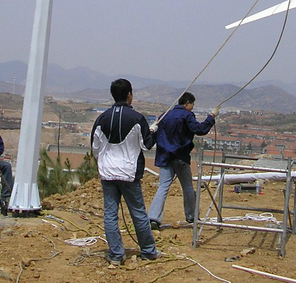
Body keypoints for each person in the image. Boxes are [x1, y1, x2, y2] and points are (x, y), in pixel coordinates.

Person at [91, 78, 160, 265]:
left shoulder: (101, 118)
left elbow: (95, 149)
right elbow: (146, 146)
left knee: (110, 213)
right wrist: (153, 132)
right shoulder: (137, 118)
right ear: (130, 95)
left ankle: (115, 254)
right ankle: (148, 250)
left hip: (107, 173)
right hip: (129, 173)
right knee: (138, 212)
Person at [147, 92, 218, 230]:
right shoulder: (187, 115)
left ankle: (153, 218)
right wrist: (211, 116)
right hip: (180, 156)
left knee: (163, 187)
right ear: (187, 103)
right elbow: (199, 129)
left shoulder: (164, 115)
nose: (192, 107)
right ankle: (191, 216)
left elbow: (155, 135)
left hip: (165, 157)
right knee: (187, 187)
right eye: (192, 104)